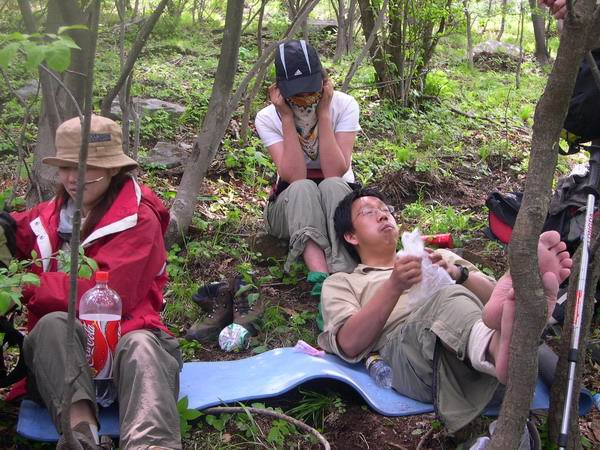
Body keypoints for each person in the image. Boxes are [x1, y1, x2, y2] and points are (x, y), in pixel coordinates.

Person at [317, 188, 572, 433]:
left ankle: (500, 341)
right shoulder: (343, 282)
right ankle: (497, 346)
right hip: (411, 360)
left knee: (489, 303)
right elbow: (349, 343)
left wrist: (458, 274)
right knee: (449, 298)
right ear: (351, 236)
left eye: (385, 209)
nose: (383, 215)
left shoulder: (439, 256)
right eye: (368, 212)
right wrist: (394, 285)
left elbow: (501, 299)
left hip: (477, 366)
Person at [10, 115, 182, 450]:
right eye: (66, 167)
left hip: (130, 338)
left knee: (142, 347)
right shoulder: (53, 213)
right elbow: (20, 229)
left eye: (86, 167)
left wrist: (25, 285)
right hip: (68, 360)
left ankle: (151, 444)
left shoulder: (139, 217)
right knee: (52, 327)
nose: (73, 178)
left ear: (113, 169)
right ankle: (80, 434)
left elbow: (106, 295)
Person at [254, 39, 361, 285]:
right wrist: (286, 118)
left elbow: (335, 170)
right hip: (291, 206)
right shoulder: (267, 118)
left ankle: (344, 275)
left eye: (310, 89)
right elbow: (294, 176)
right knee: (303, 187)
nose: (304, 97)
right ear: (279, 90)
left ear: (324, 82)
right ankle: (320, 277)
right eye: (296, 92)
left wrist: (323, 113)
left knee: (332, 184)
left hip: (338, 201)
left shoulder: (344, 105)